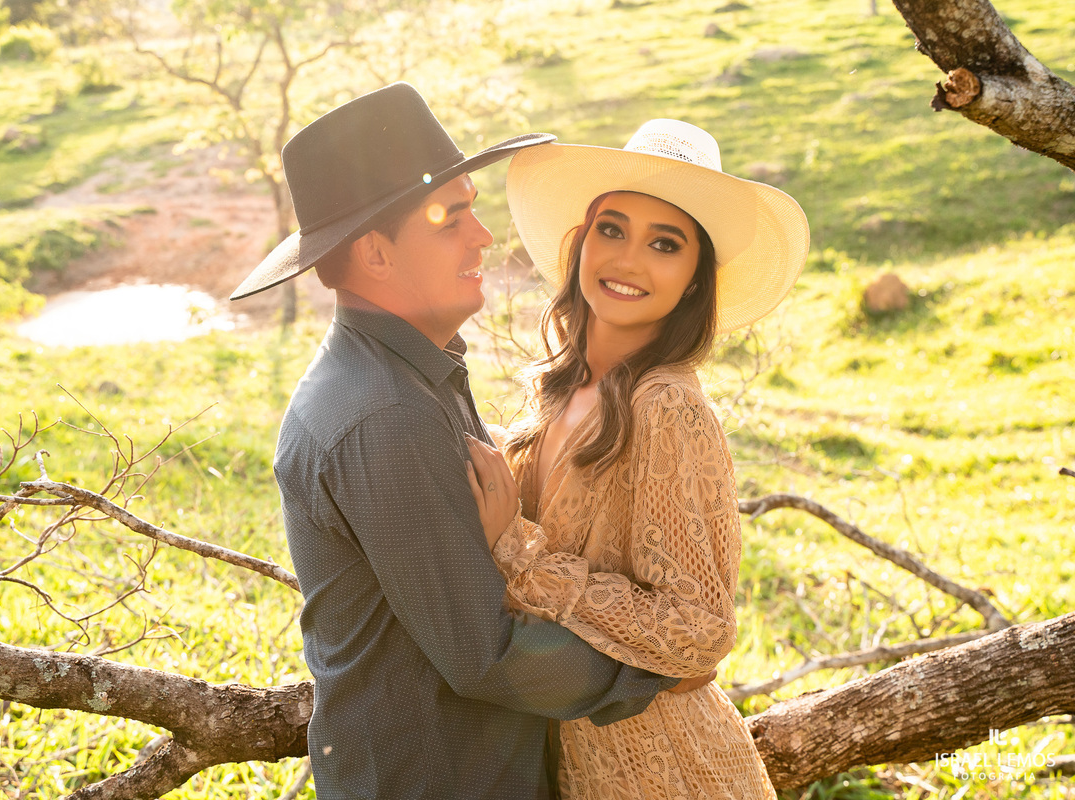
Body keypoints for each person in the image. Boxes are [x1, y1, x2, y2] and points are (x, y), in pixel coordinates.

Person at [230, 83, 699, 800]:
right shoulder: (384, 415)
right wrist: (656, 668)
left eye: (474, 210)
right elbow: (488, 655)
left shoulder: (408, 376)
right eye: (451, 218)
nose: (483, 236)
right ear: (378, 256)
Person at [464, 119, 810, 798]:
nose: (627, 260)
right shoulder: (555, 390)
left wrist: (521, 554)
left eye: (665, 244)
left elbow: (697, 634)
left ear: (692, 281)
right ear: (581, 242)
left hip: (669, 772)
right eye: (612, 229)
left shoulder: (669, 410)